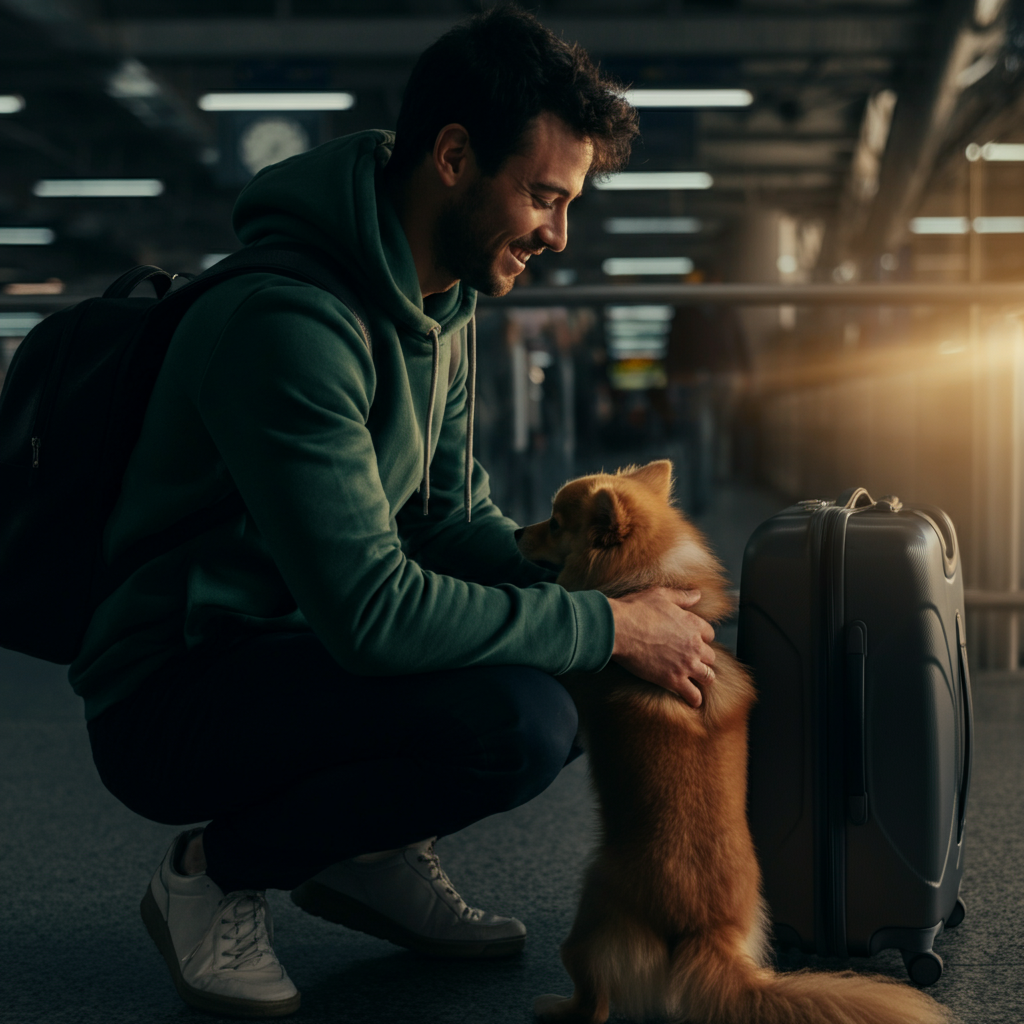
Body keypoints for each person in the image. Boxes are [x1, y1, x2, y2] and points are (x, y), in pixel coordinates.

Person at [73, 6, 719, 1018]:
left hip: (298, 647)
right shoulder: (287, 325)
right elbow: (371, 611)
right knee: (521, 717)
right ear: (454, 157)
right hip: (173, 690)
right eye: (543, 197)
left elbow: (442, 527)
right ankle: (211, 872)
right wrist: (602, 626)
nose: (558, 233)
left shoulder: (441, 304)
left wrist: (605, 585)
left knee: (595, 671)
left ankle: (363, 853)